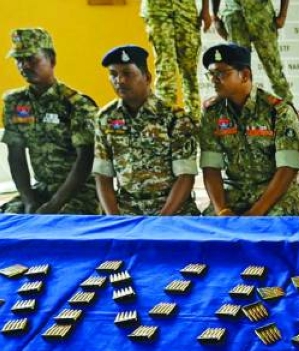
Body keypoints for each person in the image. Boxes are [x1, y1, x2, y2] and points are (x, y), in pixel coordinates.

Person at [2, 28, 99, 215]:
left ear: (52, 60)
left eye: (32, 59)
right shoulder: (15, 102)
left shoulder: (76, 104)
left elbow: (85, 160)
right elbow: (16, 154)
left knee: (57, 226)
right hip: (41, 190)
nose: (24, 66)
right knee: (9, 220)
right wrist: (28, 199)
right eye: (19, 60)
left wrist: (55, 205)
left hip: (78, 193)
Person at [93, 45, 199, 216]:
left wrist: (160, 221)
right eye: (113, 74)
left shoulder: (174, 117)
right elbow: (103, 176)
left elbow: (185, 176)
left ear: (147, 77)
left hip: (172, 212)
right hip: (126, 212)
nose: (119, 80)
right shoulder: (106, 118)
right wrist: (114, 219)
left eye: (127, 74)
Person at [198, 42, 299, 216]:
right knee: (210, 233)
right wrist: (221, 210)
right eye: (211, 74)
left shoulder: (279, 110)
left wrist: (256, 213)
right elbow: (211, 167)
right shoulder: (212, 113)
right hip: (233, 193)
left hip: (273, 195)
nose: (214, 80)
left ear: (245, 75)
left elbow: (287, 168)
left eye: (221, 73)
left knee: (274, 232)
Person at [141, 0, 211, 121]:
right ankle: (164, 120)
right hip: (157, 10)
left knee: (189, 69)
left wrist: (205, 9)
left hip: (186, 10)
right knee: (165, 67)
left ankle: (194, 120)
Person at [212, 0, 291, 102]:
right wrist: (214, 16)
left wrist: (283, 15)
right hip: (235, 18)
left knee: (273, 68)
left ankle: (287, 107)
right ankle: (240, 110)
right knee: (238, 70)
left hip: (261, 15)